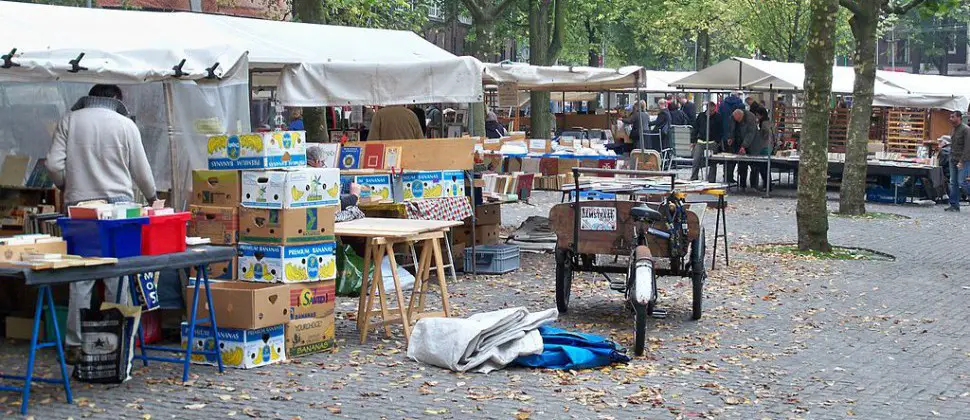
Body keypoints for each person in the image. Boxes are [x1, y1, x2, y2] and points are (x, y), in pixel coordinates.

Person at [46, 84, 156, 363]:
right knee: (116, 275)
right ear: (117, 100)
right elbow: (141, 170)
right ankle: (117, 342)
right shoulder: (125, 124)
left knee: (80, 275)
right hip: (118, 207)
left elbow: (52, 164)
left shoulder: (70, 120)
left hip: (79, 205)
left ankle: (74, 342)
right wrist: (153, 197)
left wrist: (65, 185)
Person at [718, 92, 746, 183]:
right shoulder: (740, 104)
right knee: (738, 157)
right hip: (737, 135)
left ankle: (727, 175)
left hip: (725, 134)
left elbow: (720, 118)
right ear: (737, 95)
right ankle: (740, 179)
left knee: (727, 156)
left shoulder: (722, 104)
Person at [690, 102, 722, 181]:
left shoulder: (718, 117)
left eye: (713, 110)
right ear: (707, 109)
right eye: (710, 111)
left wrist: (717, 141)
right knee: (696, 160)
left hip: (712, 142)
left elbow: (720, 131)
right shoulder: (701, 116)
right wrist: (693, 140)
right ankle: (694, 177)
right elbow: (695, 128)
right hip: (701, 141)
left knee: (713, 161)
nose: (712, 112)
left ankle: (711, 179)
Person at [731, 108, 761, 191]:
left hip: (753, 144)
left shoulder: (750, 118)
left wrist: (744, 146)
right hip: (740, 143)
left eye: (738, 120)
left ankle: (753, 185)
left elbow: (751, 133)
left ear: (742, 116)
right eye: (736, 120)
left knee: (754, 166)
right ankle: (742, 185)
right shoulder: (734, 117)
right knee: (742, 166)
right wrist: (731, 137)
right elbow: (733, 128)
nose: (737, 121)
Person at [946, 111, 970, 211]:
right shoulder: (953, 129)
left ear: (959, 117)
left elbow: (967, 147)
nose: (950, 119)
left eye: (953, 117)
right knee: (953, 182)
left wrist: (962, 161)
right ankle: (954, 205)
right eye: (950, 117)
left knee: (962, 182)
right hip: (953, 159)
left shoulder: (966, 129)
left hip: (963, 160)